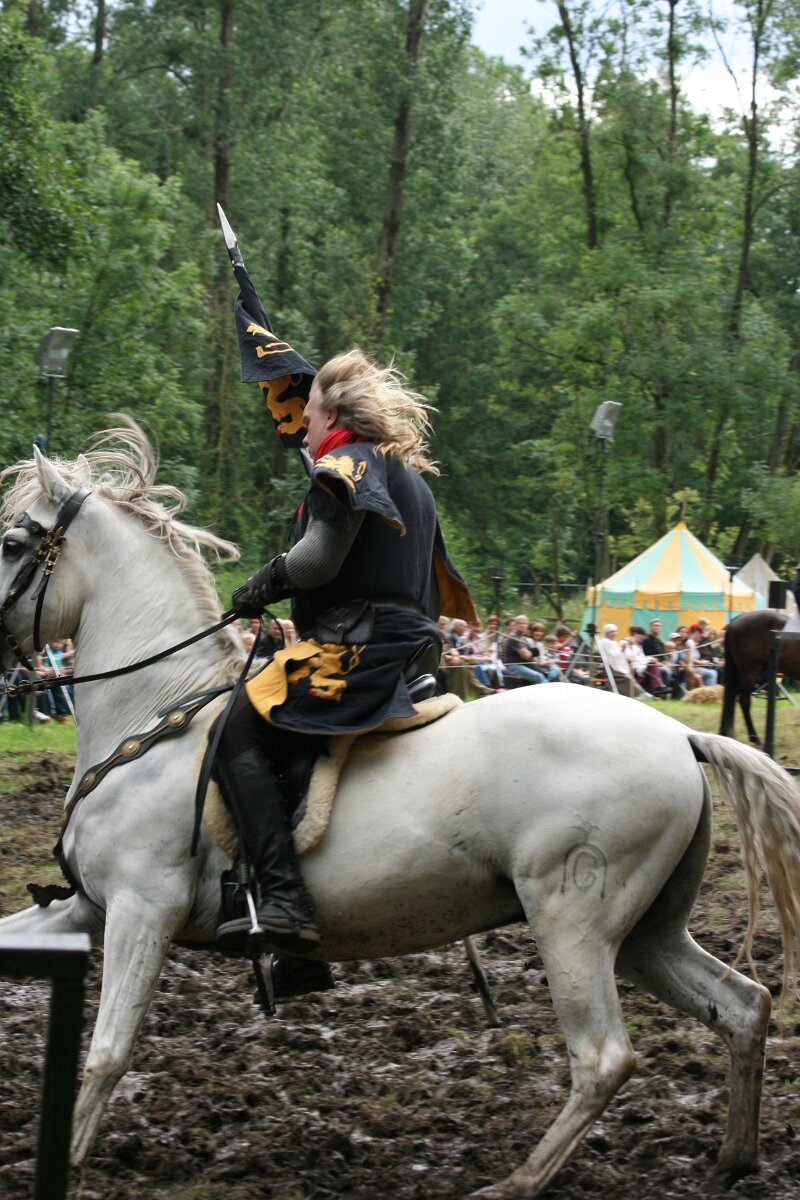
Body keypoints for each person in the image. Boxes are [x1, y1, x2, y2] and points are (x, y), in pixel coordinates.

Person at [214, 349, 475, 956]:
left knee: (234, 729)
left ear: (332, 413)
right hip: (411, 646)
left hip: (357, 648)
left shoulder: (345, 463)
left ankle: (283, 897)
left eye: (307, 415)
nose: (301, 428)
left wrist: (262, 583)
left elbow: (317, 561)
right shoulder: (409, 477)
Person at [500, 615, 547, 686]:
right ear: (515, 625)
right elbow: (525, 656)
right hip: (512, 666)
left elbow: (531, 658)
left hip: (523, 664)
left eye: (525, 623)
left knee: (544, 672)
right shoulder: (514, 637)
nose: (523, 625)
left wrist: (531, 653)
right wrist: (533, 652)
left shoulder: (524, 638)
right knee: (538, 677)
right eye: (520, 623)